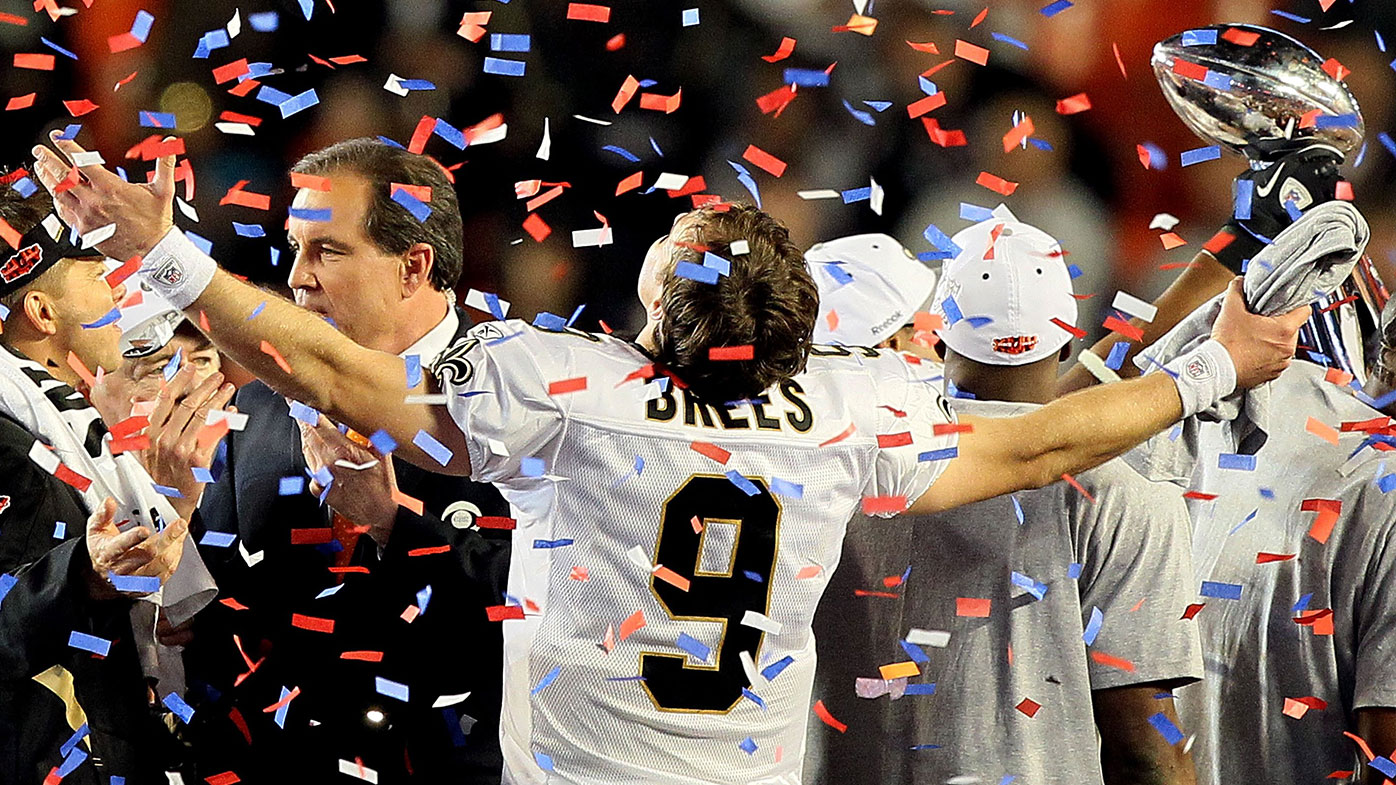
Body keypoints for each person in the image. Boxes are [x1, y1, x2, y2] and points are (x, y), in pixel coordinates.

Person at [31, 133, 1308, 785]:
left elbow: (329, 367)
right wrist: (1213, 369)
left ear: (656, 315)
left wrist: (169, 255)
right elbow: (1043, 438)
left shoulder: (568, 388)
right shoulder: (849, 410)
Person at [803, 224, 1201, 785]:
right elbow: (1145, 745)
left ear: (939, 339)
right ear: (1068, 341)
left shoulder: (836, 463)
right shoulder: (1130, 493)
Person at [181, 139, 512, 784]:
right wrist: (167, 523)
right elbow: (216, 619)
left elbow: (540, 615)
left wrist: (392, 523)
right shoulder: (257, 407)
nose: (297, 277)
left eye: (327, 251)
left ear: (413, 267)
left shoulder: (518, 401)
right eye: (295, 247)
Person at [0, 178, 226, 784]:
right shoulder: (8, 439)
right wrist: (84, 574)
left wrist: (174, 504)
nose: (123, 295)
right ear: (42, 312)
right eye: (102, 278)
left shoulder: (68, 426)